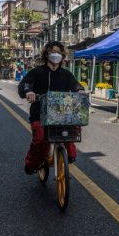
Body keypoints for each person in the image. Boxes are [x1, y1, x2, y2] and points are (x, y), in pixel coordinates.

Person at [18, 41, 85, 175]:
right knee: (40, 140)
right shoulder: (36, 72)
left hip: (61, 114)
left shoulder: (66, 74)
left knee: (72, 129)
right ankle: (31, 164)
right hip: (39, 114)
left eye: (59, 52)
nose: (56, 55)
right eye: (53, 52)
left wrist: (80, 90)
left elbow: (75, 85)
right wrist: (28, 92)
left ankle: (71, 154)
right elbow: (24, 85)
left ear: (62, 56)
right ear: (46, 54)